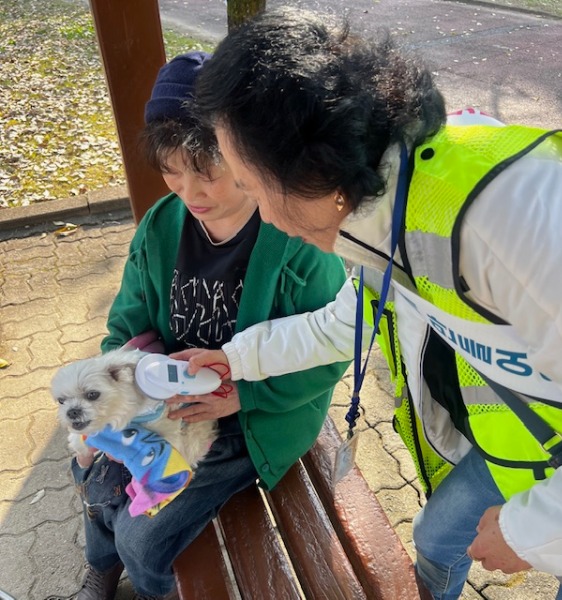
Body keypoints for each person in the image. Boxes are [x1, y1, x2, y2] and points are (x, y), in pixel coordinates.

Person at [175, 8, 562, 600]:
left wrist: (530, 533)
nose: (267, 220)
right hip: (522, 448)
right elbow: (345, 324)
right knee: (437, 538)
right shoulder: (383, 206)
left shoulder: (510, 221)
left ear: (310, 168)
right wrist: (235, 359)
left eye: (252, 188)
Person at [63, 50, 349, 600]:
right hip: (161, 403)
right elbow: (126, 321)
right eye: (171, 170)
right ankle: (101, 568)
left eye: (207, 172)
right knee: (95, 477)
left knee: (143, 539)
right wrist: (121, 384)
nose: (188, 193)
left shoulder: (298, 239)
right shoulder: (161, 225)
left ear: (246, 156)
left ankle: (156, 586)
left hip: (251, 418)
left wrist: (244, 395)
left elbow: (331, 352)